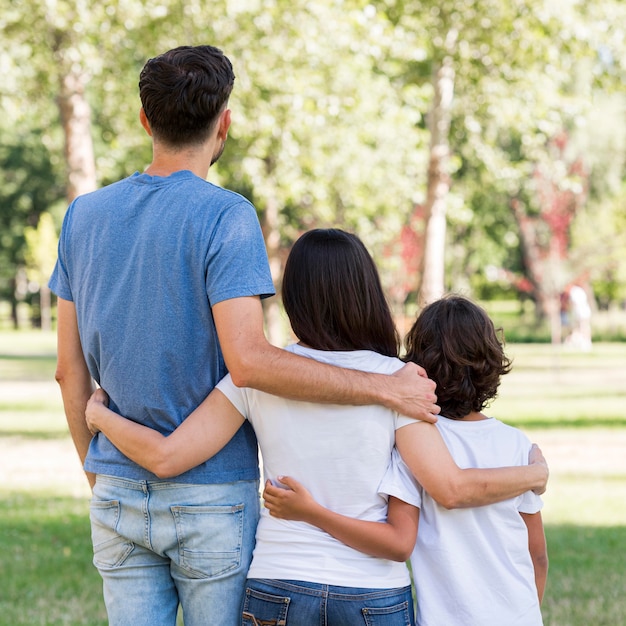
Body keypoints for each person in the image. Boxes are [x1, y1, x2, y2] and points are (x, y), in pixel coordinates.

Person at [48, 47, 440, 626]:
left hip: (117, 486)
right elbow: (250, 361)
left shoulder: (83, 216)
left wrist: (98, 470)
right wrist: (385, 388)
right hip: (212, 500)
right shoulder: (226, 216)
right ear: (224, 121)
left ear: (143, 118)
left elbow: (68, 371)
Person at [85, 231, 549, 625]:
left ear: (294, 297)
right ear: (366, 291)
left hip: (278, 585)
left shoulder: (262, 377)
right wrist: (532, 475)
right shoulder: (399, 383)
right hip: (370, 594)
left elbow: (168, 457)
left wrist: (102, 416)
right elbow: (449, 486)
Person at [266, 295, 549, 626]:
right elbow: (538, 554)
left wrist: (310, 511)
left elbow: (399, 536)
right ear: (491, 362)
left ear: (418, 363)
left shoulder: (415, 440)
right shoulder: (518, 446)